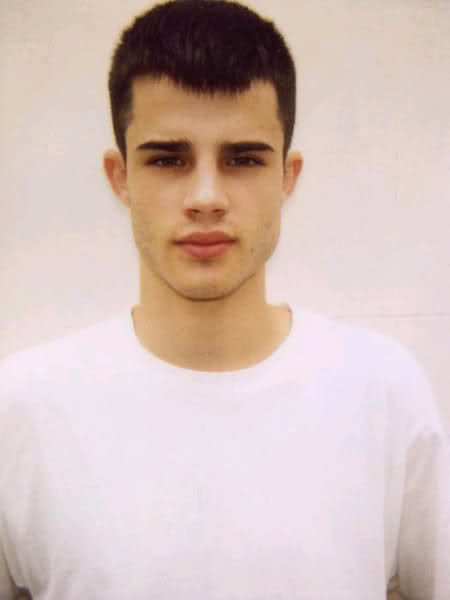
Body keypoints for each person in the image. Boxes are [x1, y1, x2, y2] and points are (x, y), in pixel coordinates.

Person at [1, 0, 449, 598]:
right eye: (168, 158)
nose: (206, 197)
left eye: (243, 158)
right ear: (120, 177)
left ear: (288, 176)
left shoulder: (384, 393)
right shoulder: (23, 411)